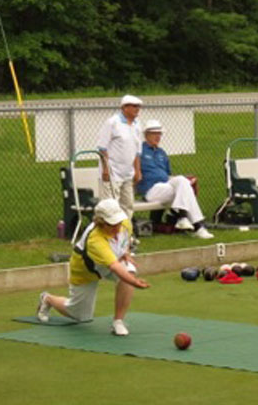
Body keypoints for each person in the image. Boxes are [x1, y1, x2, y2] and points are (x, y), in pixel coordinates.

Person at [36, 199, 149, 336]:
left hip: (111, 261)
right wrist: (135, 282)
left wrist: (124, 251)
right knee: (80, 315)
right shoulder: (95, 239)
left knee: (129, 271)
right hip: (85, 270)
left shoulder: (125, 223)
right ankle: (47, 299)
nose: (117, 227)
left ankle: (118, 321)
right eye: (111, 224)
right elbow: (114, 267)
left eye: (118, 222)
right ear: (99, 223)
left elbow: (126, 240)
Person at [137, 119, 214, 239]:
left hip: (166, 187)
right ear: (146, 134)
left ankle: (187, 220)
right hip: (151, 190)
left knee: (182, 181)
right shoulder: (139, 151)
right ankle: (195, 224)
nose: (158, 136)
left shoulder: (161, 153)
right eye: (154, 133)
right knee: (184, 189)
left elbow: (168, 174)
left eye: (159, 133)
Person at [97, 95, 143, 218]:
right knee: (111, 207)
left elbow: (137, 151)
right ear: (124, 108)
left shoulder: (137, 125)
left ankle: (126, 235)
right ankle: (110, 235)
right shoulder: (112, 122)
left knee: (128, 206)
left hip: (128, 173)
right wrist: (106, 169)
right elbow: (102, 148)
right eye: (134, 106)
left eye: (138, 106)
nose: (137, 109)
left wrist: (137, 170)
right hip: (112, 173)